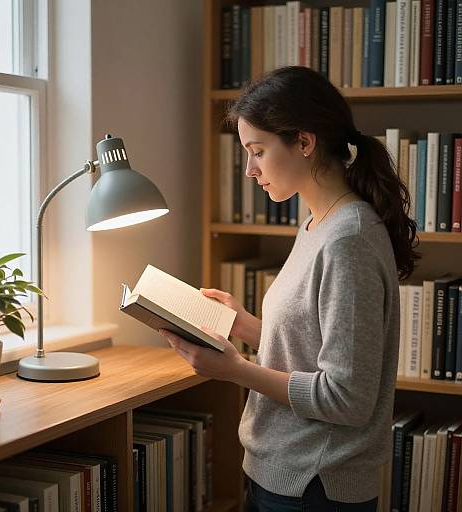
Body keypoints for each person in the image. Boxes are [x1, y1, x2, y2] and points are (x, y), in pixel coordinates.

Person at [159, 66, 420, 511]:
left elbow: (347, 398)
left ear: (304, 141)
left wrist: (235, 370)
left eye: (257, 151)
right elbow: (318, 348)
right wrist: (245, 325)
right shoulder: (318, 224)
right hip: (285, 471)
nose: (248, 170)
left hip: (314, 484)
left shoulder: (348, 239)